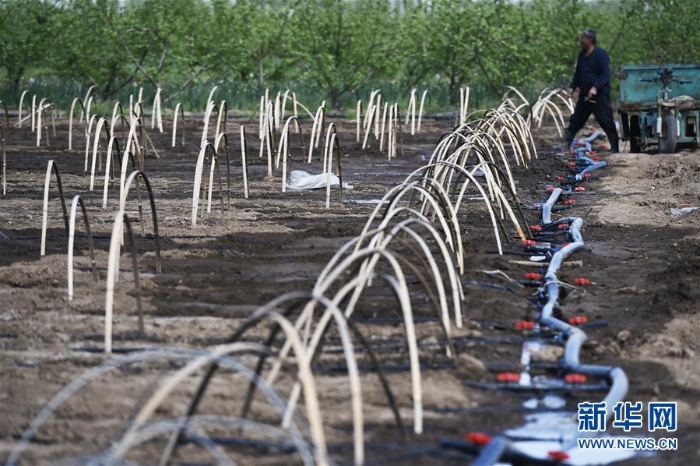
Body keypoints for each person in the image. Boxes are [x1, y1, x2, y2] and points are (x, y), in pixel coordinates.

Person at [564, 29, 619, 153]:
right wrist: (572, 87)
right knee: (576, 120)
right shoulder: (582, 55)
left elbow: (605, 74)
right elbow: (578, 73)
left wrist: (596, 87)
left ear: (590, 40)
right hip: (585, 95)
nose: (581, 41)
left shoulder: (600, 54)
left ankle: (615, 149)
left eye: (583, 38)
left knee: (606, 121)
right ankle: (566, 144)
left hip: (599, 96)